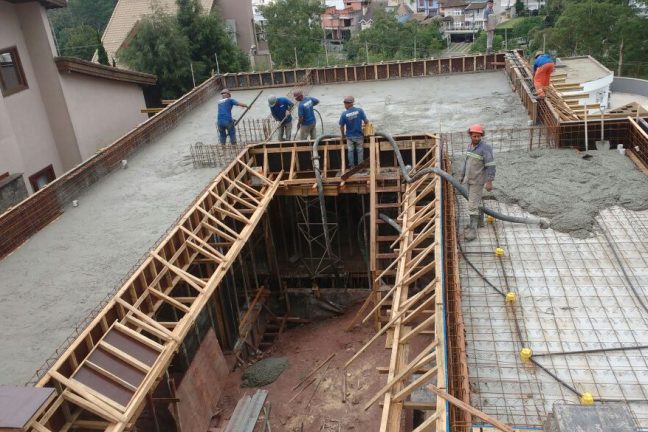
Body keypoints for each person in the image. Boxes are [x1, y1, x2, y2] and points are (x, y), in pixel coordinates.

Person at [461, 124, 496, 242]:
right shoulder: (469, 147)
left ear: (481, 136)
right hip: (469, 179)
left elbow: (491, 165)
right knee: (475, 201)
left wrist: (489, 181)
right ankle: (479, 222)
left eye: (478, 136)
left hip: (478, 181)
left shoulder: (485, 149)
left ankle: (473, 230)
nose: (476, 138)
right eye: (474, 136)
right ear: (470, 135)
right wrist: (462, 176)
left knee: (472, 205)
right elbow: (466, 163)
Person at [339, 96, 369, 168]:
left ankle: (352, 167)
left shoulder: (344, 114)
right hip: (359, 135)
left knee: (350, 151)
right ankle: (360, 167)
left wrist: (343, 135)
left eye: (345, 104)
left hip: (349, 136)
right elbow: (366, 121)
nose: (345, 105)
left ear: (349, 104)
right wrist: (366, 130)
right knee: (360, 150)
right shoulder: (359, 111)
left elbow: (341, 126)